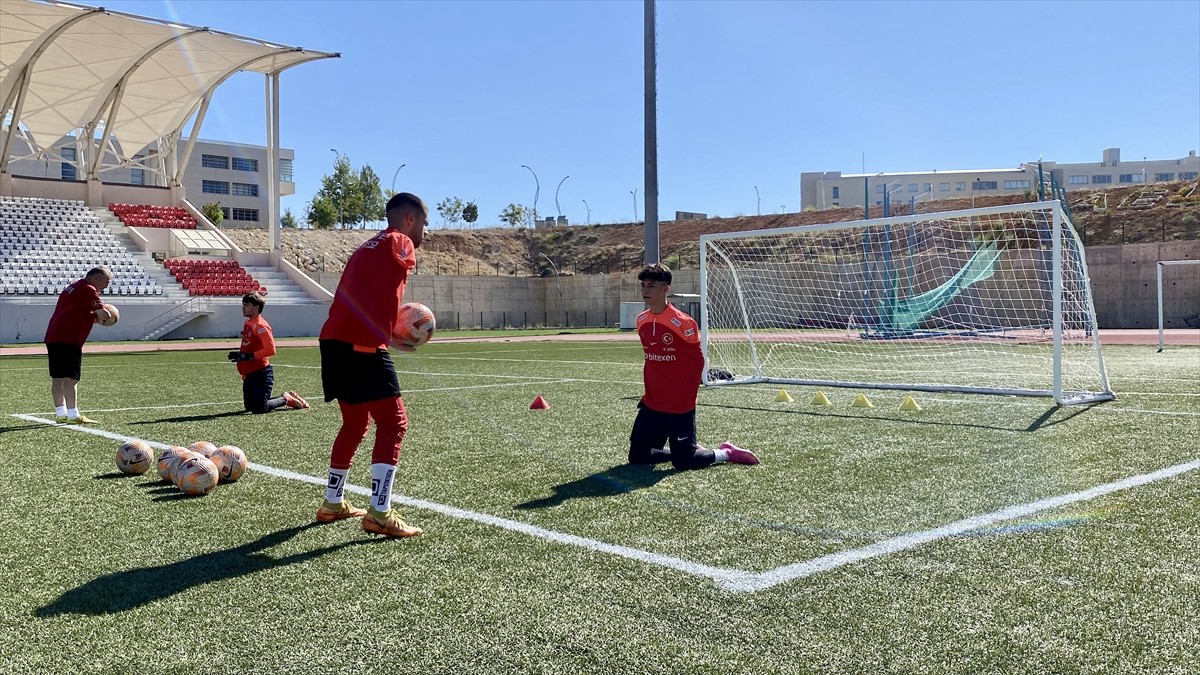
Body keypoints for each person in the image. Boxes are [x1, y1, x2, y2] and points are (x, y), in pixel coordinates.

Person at [315, 192, 429, 538]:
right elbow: (391, 282)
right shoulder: (400, 240)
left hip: (334, 340)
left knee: (354, 424)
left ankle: (333, 503)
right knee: (394, 424)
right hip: (359, 344)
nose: (425, 232)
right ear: (409, 220)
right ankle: (380, 513)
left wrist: (387, 329)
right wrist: (404, 325)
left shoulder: (367, 245)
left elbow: (370, 291)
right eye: (424, 223)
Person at [630, 263, 759, 470]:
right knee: (638, 456)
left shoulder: (683, 322)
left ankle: (726, 452)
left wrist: (686, 395)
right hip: (652, 402)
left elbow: (697, 362)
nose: (645, 290)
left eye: (651, 286)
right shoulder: (641, 320)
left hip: (679, 403)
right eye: (643, 285)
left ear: (665, 289)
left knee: (684, 463)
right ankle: (687, 449)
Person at [44, 265, 114, 424]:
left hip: (54, 336)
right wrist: (109, 315)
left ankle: (60, 414)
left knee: (57, 378)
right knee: (71, 378)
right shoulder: (89, 289)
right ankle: (73, 415)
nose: (106, 286)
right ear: (96, 278)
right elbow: (104, 314)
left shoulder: (74, 286)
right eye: (106, 282)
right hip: (69, 338)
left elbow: (79, 313)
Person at [226, 291, 309, 414]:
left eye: (246, 305)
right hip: (249, 374)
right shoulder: (248, 322)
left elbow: (271, 349)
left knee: (259, 408)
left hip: (261, 373)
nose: (243, 307)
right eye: (243, 304)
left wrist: (247, 356)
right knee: (250, 407)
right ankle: (282, 397)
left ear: (256, 308)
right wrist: (240, 355)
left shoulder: (261, 326)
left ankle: (286, 399)